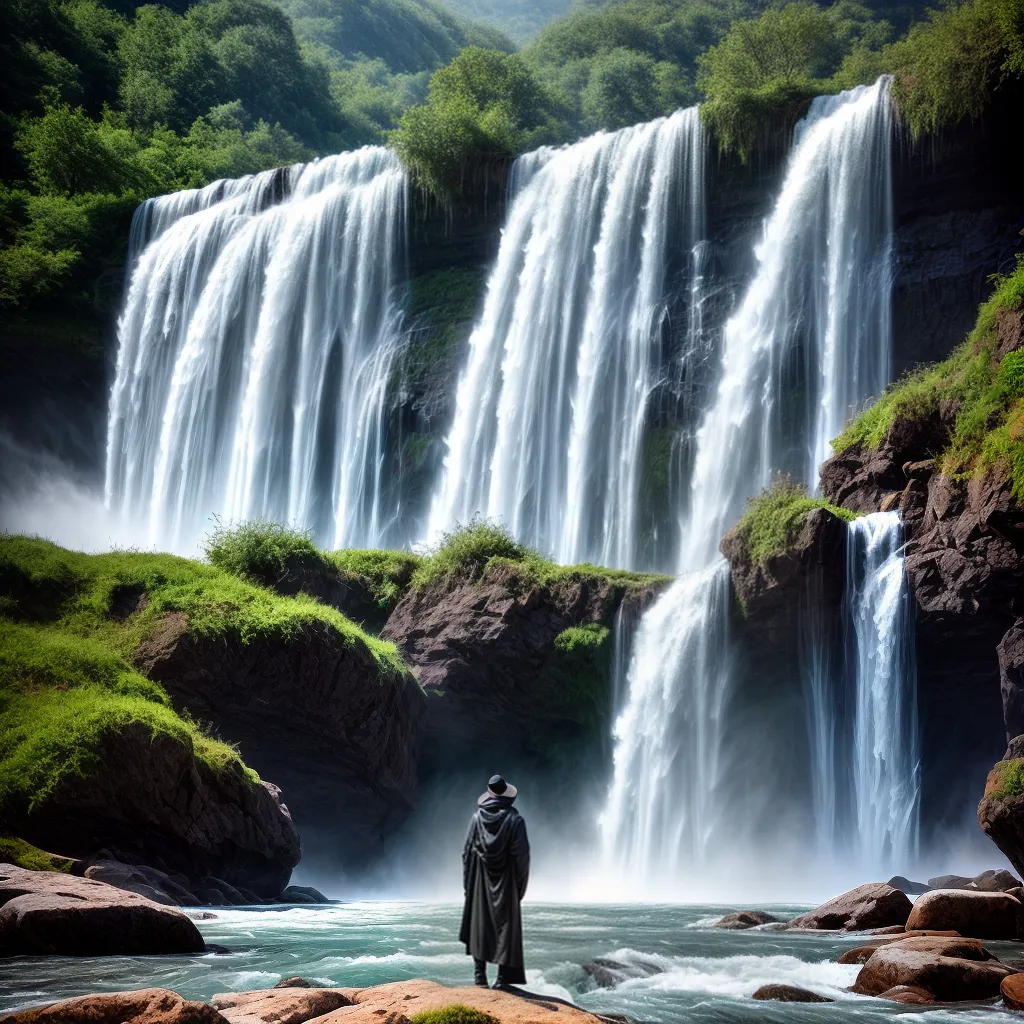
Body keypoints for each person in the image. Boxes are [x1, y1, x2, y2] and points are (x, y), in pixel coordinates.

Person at [459, 774, 530, 989]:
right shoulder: (515, 821)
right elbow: (522, 858)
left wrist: (468, 885)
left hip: (480, 880)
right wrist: (520, 887)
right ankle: (502, 980)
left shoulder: (476, 820)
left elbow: (466, 853)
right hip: (507, 882)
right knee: (506, 927)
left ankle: (479, 977)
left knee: (479, 925)